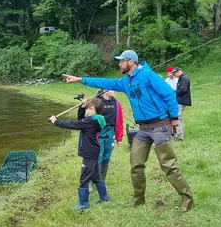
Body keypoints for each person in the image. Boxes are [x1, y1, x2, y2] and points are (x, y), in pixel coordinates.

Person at [62, 50, 193, 212]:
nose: (119, 64)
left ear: (131, 61)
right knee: (136, 164)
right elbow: (106, 82)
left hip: (160, 125)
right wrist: (80, 79)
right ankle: (138, 199)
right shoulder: (125, 81)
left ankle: (187, 199)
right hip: (143, 129)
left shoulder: (147, 75)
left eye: (121, 61)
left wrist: (174, 118)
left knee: (168, 165)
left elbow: (169, 95)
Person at [48, 98, 110, 210]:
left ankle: (83, 204)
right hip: (93, 151)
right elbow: (81, 120)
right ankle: (104, 198)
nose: (88, 111)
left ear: (97, 110)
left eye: (91, 109)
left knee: (84, 178)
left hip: (89, 153)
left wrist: (56, 121)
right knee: (96, 176)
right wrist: (81, 108)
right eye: (88, 108)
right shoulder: (95, 120)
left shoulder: (90, 121)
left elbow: (74, 124)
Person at [89, 89, 123, 191]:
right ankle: (91, 182)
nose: (114, 91)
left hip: (110, 132)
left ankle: (101, 181)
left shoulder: (117, 103)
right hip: (99, 132)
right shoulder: (97, 102)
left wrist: (119, 137)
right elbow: (89, 117)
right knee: (97, 157)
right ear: (105, 91)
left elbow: (120, 121)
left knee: (106, 157)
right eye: (112, 89)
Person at [172, 67, 191, 141]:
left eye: (174, 73)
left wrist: (173, 92)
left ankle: (179, 136)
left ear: (179, 71)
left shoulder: (184, 78)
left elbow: (183, 90)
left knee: (178, 117)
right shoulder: (181, 78)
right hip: (180, 100)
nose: (174, 75)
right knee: (179, 118)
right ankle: (179, 134)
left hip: (182, 100)